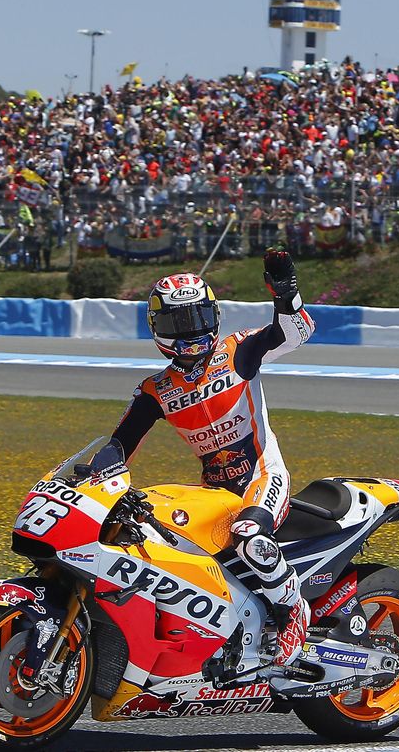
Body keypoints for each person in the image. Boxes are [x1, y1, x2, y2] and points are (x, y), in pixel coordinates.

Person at [107, 248, 316, 667]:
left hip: (262, 474)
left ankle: (294, 611)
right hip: (215, 490)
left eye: (198, 318)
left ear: (214, 316)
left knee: (249, 536)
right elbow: (120, 443)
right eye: (177, 322)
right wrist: (90, 476)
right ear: (158, 328)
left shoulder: (239, 351)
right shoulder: (156, 389)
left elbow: (297, 333)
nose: (190, 331)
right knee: (159, 536)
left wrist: (286, 293)